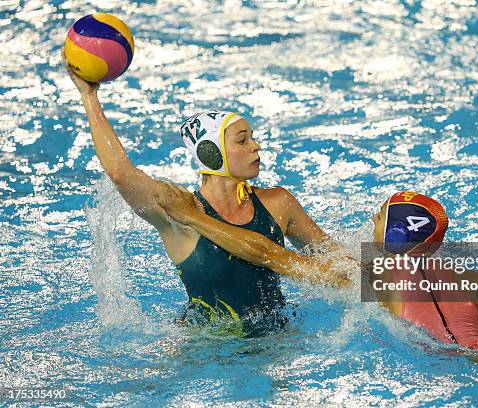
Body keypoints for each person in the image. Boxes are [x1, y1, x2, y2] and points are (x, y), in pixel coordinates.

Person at [62, 49, 336, 336]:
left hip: (276, 342)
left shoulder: (278, 202)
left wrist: (381, 266)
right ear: (210, 152)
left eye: (253, 138)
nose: (256, 147)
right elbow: (121, 172)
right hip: (207, 352)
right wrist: (89, 97)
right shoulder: (177, 212)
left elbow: (335, 260)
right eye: (242, 140)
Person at [155, 184, 478, 354]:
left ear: (396, 231)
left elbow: (268, 255)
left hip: (447, 361)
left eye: (381, 215)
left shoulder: (371, 277)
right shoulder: (472, 278)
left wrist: (195, 219)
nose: (371, 216)